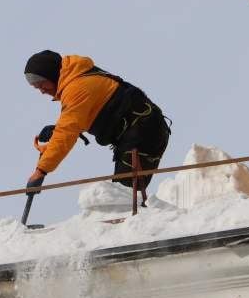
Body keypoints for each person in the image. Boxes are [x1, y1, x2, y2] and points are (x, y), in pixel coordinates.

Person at [24, 50, 170, 198]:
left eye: (42, 84)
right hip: (143, 130)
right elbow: (73, 125)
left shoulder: (76, 88)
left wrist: (40, 171)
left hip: (142, 131)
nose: (42, 91)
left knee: (123, 199)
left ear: (51, 74)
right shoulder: (79, 78)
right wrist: (56, 134)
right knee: (124, 198)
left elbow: (66, 132)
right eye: (37, 88)